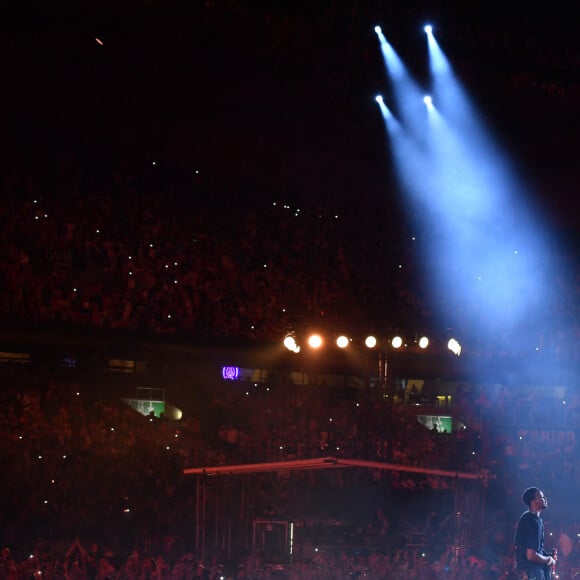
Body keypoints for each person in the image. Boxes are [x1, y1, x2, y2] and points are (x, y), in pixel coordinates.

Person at [514, 487, 557, 579]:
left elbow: (533, 550)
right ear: (534, 502)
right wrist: (549, 560)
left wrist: (549, 556)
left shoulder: (528, 518)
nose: (545, 499)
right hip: (532, 573)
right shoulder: (533, 521)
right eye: (541, 497)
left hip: (528, 571)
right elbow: (531, 555)